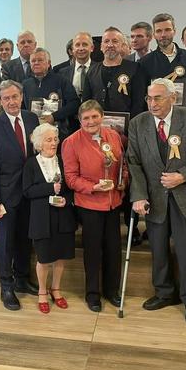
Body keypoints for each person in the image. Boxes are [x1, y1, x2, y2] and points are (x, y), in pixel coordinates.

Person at [127, 78, 186, 325]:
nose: (152, 104)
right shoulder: (138, 123)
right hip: (154, 199)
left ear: (173, 98)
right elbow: (133, 162)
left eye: (158, 98)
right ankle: (164, 293)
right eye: (149, 98)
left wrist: (182, 176)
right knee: (159, 251)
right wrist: (139, 195)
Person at [62, 100, 127, 313]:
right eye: (86, 118)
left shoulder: (113, 136)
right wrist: (94, 187)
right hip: (89, 205)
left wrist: (123, 181)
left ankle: (111, 291)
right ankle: (92, 294)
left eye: (94, 117)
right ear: (80, 120)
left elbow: (122, 166)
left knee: (113, 250)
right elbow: (71, 179)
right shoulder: (71, 142)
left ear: (102, 117)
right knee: (92, 251)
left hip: (113, 203)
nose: (91, 122)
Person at [0, 80, 39, 310]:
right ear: (0, 101)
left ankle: (22, 279)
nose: (11, 102)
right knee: (5, 242)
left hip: (30, 192)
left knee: (26, 238)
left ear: (22, 96)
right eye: (6, 98)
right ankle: (6, 286)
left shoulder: (32, 119)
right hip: (6, 194)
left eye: (14, 97)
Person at [23, 123, 76, 314]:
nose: (53, 143)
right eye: (48, 140)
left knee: (61, 256)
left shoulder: (63, 160)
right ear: (39, 144)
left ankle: (56, 289)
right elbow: (27, 191)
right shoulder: (30, 163)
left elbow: (71, 188)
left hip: (63, 215)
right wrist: (49, 189)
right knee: (44, 258)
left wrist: (67, 200)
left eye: (55, 139)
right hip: (41, 218)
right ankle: (42, 292)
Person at [138, 14, 186, 106]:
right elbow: (142, 95)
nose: (163, 35)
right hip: (157, 116)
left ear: (174, 31)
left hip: (184, 115)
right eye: (159, 31)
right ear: (154, 35)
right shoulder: (144, 62)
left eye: (167, 30)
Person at [22, 47, 79, 141]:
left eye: (40, 60)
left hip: (58, 132)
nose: (36, 63)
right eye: (33, 61)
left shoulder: (61, 81)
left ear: (48, 63)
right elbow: (23, 108)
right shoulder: (25, 84)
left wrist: (54, 116)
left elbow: (74, 104)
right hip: (33, 134)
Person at [60, 31, 98, 102]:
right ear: (73, 49)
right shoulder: (63, 73)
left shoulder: (99, 69)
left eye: (84, 44)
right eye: (77, 45)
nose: (81, 48)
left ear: (92, 48)